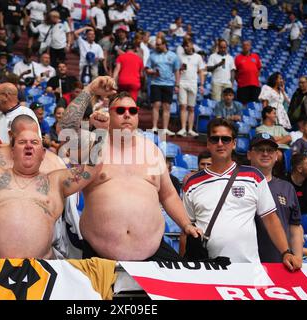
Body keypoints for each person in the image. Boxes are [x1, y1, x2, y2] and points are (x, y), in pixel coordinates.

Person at [60, 77, 202, 261]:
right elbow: (65, 129)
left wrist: (186, 224)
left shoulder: (152, 151)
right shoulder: (93, 146)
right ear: (108, 114)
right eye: (120, 110)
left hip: (153, 253)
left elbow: (168, 195)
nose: (127, 114)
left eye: (132, 110)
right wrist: (89, 90)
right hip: (100, 256)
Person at [0, 101, 108, 259]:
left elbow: (91, 169)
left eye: (35, 142)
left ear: (43, 153)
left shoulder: (56, 182)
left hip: (40, 273)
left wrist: (101, 131)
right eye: (22, 142)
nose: (29, 145)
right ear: (12, 151)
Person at [183, 118, 301, 270]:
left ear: (234, 143)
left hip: (247, 268)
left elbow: (271, 219)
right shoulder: (192, 183)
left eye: (225, 139)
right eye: (214, 139)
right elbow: (187, 229)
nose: (220, 143)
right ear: (208, 143)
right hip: (206, 267)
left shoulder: (253, 176)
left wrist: (286, 252)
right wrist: (184, 268)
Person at [247, 133, 303, 264]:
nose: (265, 153)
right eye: (260, 149)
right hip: (247, 263)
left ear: (277, 156)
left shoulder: (287, 188)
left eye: (270, 150)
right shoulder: (240, 185)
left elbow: (294, 227)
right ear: (249, 154)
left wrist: (298, 258)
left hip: (281, 261)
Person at [146, 37, 180, 136]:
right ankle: (154, 127)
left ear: (164, 44)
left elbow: (177, 71)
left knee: (167, 106)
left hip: (169, 84)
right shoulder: (152, 56)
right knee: (156, 105)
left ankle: (165, 128)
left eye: (158, 44)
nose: (156, 46)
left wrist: (177, 84)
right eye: (156, 44)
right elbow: (147, 69)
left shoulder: (173, 56)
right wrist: (152, 71)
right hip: (156, 83)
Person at [176, 38, 205, 137]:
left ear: (192, 45)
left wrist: (201, 84)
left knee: (191, 108)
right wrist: (177, 83)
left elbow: (201, 71)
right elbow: (177, 71)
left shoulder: (198, 57)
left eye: (188, 45)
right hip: (182, 83)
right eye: (185, 46)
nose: (186, 48)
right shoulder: (180, 57)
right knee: (183, 106)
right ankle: (183, 128)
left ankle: (190, 129)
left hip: (193, 83)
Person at [234, 41, 262, 106]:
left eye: (247, 45)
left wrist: (255, 77)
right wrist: (239, 81)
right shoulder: (237, 58)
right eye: (244, 45)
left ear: (250, 46)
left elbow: (259, 68)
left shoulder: (255, 56)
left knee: (254, 104)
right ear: (242, 47)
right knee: (243, 104)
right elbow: (235, 72)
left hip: (255, 85)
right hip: (243, 86)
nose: (246, 47)